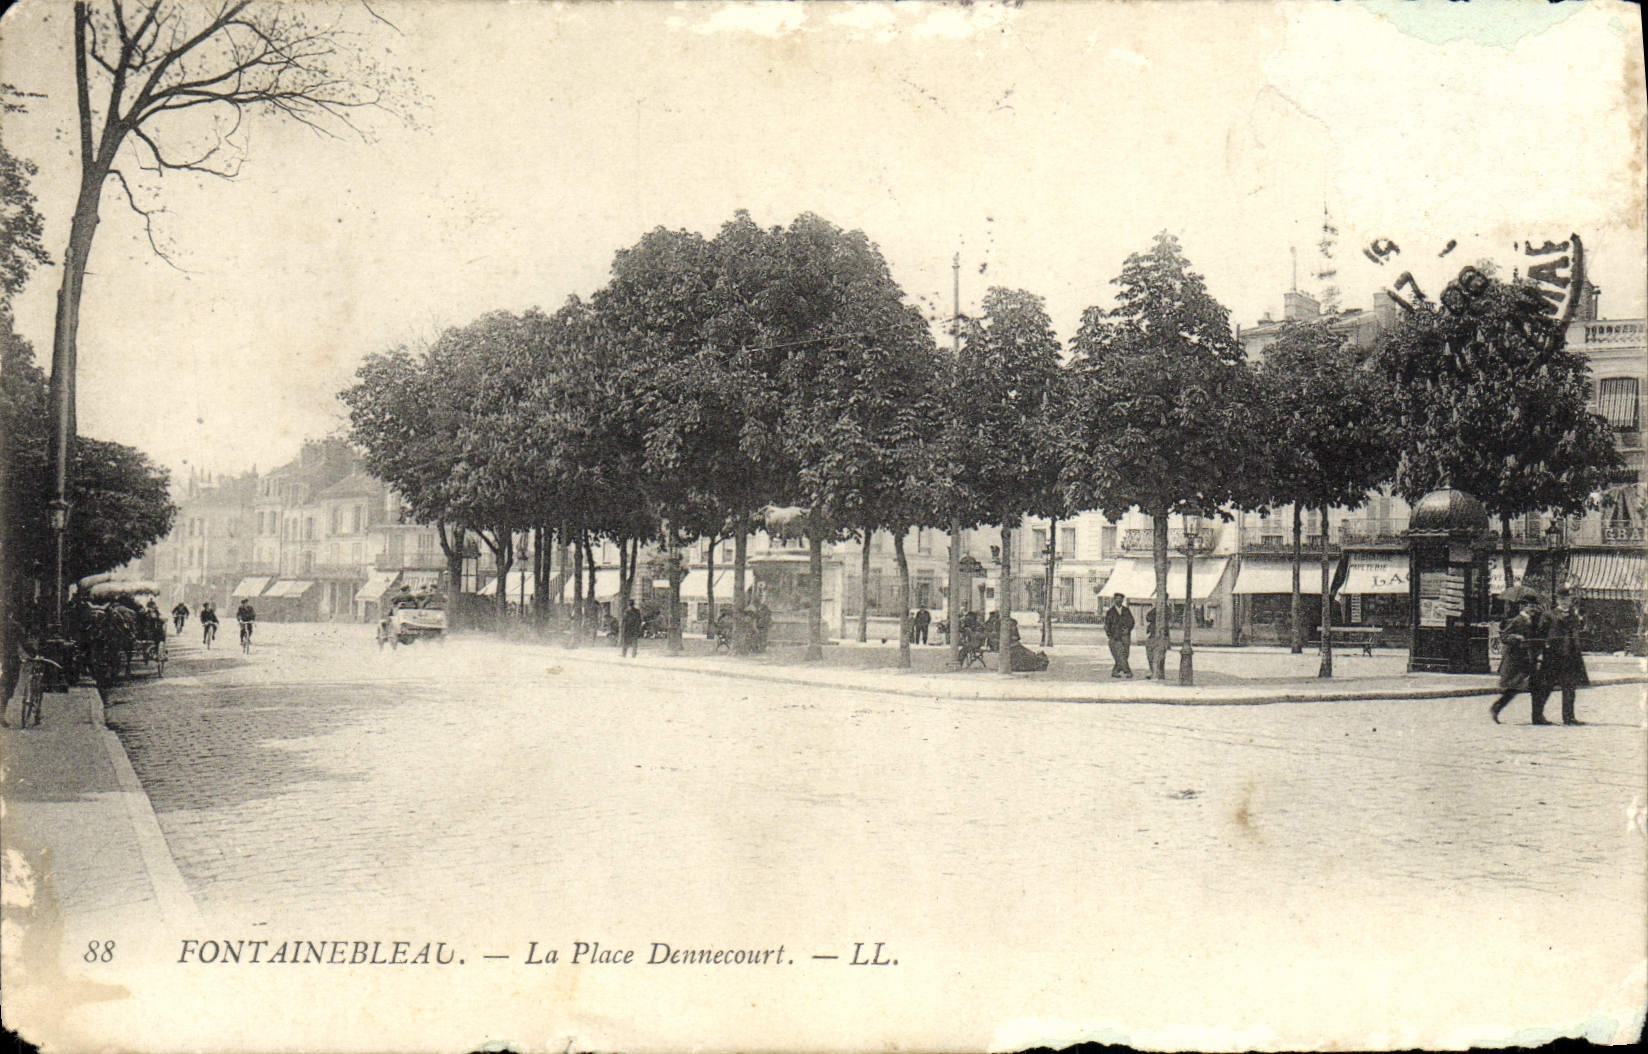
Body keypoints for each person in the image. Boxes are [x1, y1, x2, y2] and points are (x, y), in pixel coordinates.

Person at [1532, 588, 1589, 726]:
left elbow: (1575, 634)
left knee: (1570, 688)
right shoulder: (1549, 615)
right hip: (1553, 657)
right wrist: (1542, 650)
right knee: (1546, 687)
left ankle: (1569, 717)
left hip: (1570, 656)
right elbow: (1540, 633)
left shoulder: (1573, 616)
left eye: (1567, 599)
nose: (1565, 602)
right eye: (1562, 599)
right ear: (1557, 600)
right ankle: (1537, 716)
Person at [1490, 596, 1549, 724]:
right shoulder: (1517, 620)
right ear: (1524, 607)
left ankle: (1537, 717)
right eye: (1530, 606)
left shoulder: (1535, 621)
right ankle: (1496, 707)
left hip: (1530, 659)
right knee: (1514, 688)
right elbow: (1504, 636)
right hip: (1517, 660)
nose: (1533, 609)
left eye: (1534, 606)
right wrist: (1516, 637)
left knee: (1537, 687)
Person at [1104, 593, 1135, 679]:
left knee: (1125, 654)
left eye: (1120, 599)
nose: (1118, 600)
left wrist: (1128, 629)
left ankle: (1115, 671)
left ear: (1122, 600)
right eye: (1117, 598)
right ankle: (1127, 671)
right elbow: (1107, 625)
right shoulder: (1110, 612)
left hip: (1125, 636)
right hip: (1115, 637)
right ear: (1114, 600)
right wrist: (1110, 635)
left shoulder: (1126, 610)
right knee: (1120, 654)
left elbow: (1132, 621)